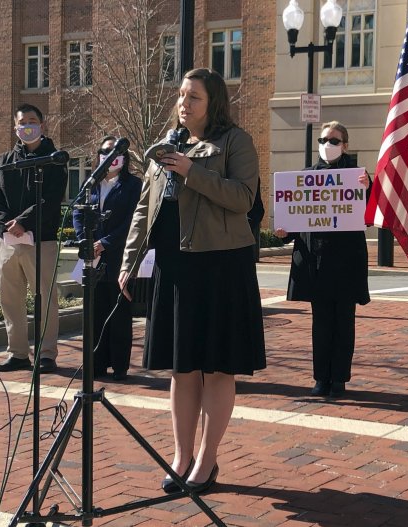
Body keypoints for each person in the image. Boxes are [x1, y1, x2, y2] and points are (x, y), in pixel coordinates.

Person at [119, 68, 265, 495]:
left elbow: (243, 198)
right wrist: (128, 261)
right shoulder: (166, 145)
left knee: (218, 368)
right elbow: (144, 209)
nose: (184, 103)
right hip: (175, 268)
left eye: (195, 97)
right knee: (182, 368)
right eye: (181, 95)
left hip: (223, 268)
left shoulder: (235, 141)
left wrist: (190, 170)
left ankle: (207, 459)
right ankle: (180, 456)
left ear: (213, 102)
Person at [275, 121, 370, 399]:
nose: (327, 145)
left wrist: (368, 187)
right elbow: (294, 218)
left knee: (344, 323)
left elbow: (372, 212)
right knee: (321, 323)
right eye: (323, 139)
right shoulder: (305, 177)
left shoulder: (358, 177)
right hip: (315, 263)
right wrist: (283, 232)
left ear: (345, 146)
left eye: (334, 140)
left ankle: (339, 378)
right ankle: (321, 378)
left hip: (346, 263)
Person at [0, 103, 68, 374]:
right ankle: (18, 353)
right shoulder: (3, 161)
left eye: (32, 121)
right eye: (22, 122)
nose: (27, 126)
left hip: (40, 241)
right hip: (8, 243)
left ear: (42, 125)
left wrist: (23, 222)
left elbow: (52, 198)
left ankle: (47, 354)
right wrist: (7, 226)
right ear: (16, 127)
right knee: (10, 300)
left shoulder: (54, 159)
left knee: (45, 299)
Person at [72, 136, 141, 381]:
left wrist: (106, 242)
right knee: (95, 312)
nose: (109, 156)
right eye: (105, 151)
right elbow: (77, 213)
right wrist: (87, 240)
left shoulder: (134, 185)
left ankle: (120, 366)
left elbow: (134, 220)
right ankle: (96, 364)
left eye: (114, 152)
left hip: (119, 256)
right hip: (92, 258)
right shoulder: (90, 184)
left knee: (119, 313)